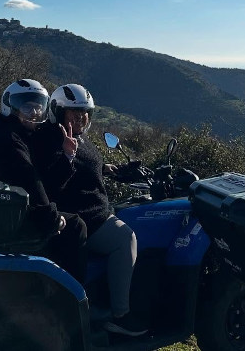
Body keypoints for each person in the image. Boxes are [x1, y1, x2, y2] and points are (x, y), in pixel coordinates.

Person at [30, 83, 147, 337]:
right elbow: (51, 180)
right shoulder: (50, 138)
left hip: (94, 209)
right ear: (57, 112)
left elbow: (85, 163)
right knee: (126, 238)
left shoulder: (74, 136)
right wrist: (67, 156)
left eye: (85, 113)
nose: (81, 119)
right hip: (84, 216)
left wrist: (109, 169)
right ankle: (121, 315)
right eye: (74, 114)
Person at [0, 79, 88, 282]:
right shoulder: (11, 141)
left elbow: (36, 181)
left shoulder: (5, 132)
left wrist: (68, 156)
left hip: (1, 208)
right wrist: (51, 217)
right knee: (76, 226)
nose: (34, 112)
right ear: (11, 107)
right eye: (27, 106)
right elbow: (29, 179)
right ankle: (71, 295)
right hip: (9, 219)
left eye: (38, 106)